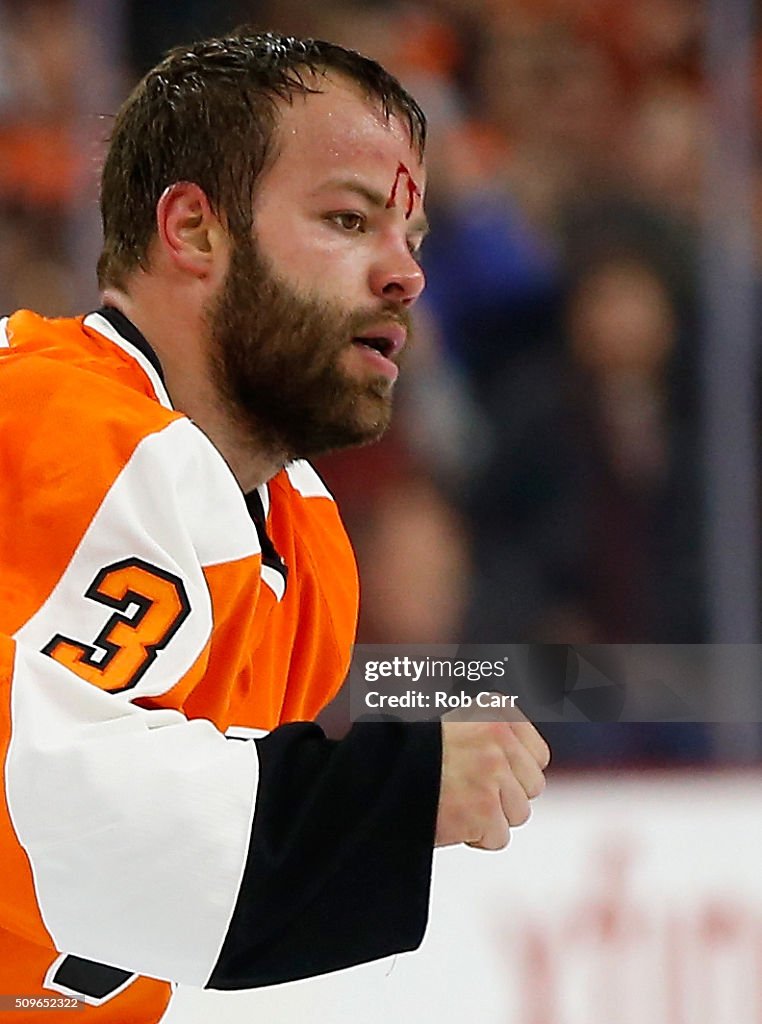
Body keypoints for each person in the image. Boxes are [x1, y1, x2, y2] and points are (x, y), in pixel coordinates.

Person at [0, 29, 550, 1023]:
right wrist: (394, 795)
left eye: (413, 238)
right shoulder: (54, 427)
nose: (405, 276)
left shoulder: (302, 541)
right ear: (194, 231)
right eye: (349, 220)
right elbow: (29, 806)